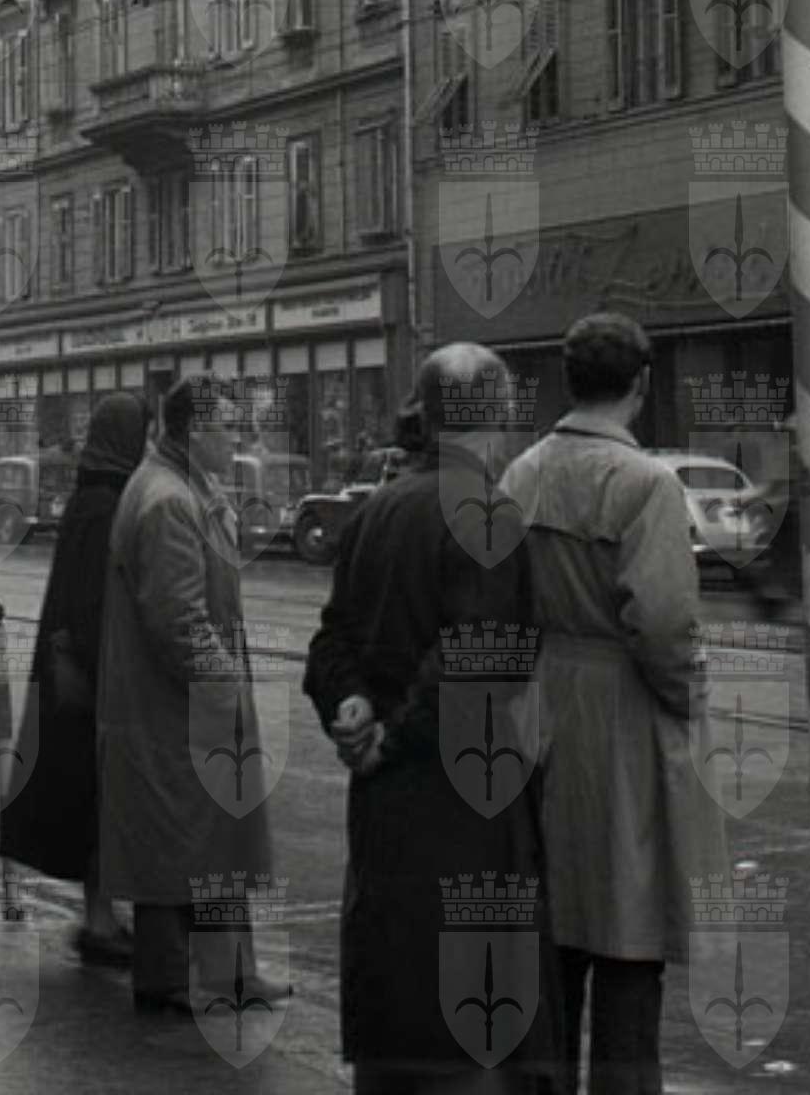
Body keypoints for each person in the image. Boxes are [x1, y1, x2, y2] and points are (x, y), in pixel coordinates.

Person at [304, 347, 563, 1094]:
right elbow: (481, 660)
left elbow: (331, 641)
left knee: (394, 991)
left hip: (383, 806)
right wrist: (395, 734)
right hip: (464, 798)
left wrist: (350, 706)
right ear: (496, 417)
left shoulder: (376, 509)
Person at [499, 313, 728, 1095]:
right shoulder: (645, 483)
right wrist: (688, 696)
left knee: (553, 936)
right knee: (629, 935)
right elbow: (662, 622)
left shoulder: (521, 473)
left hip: (539, 706)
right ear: (642, 383)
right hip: (624, 713)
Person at [99, 377, 285, 1016]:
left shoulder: (182, 487)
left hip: (182, 707)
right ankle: (175, 976)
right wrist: (225, 685)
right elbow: (178, 620)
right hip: (176, 709)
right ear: (194, 431)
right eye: (228, 427)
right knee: (181, 842)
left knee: (205, 841)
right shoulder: (168, 501)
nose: (238, 439)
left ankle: (226, 972)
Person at [0, 392, 149, 967]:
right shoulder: (107, 505)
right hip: (89, 680)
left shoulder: (92, 497)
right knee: (97, 797)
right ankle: (100, 920)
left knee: (91, 797)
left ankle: (101, 916)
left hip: (74, 677)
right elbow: (93, 601)